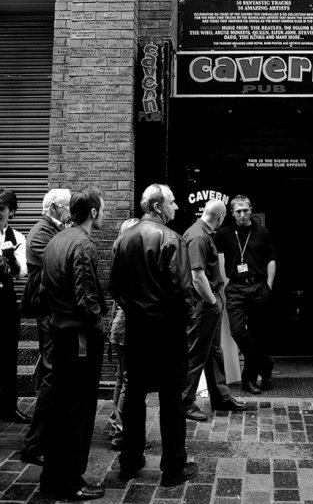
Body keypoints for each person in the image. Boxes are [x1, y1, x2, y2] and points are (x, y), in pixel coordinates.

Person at [109, 184, 197, 488]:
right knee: (172, 396)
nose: (176, 208)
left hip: (135, 326)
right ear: (158, 206)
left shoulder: (123, 238)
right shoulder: (171, 238)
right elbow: (183, 288)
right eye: (172, 202)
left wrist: (133, 308)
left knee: (134, 394)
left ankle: (129, 462)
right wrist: (184, 316)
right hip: (167, 328)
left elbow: (114, 287)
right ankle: (173, 467)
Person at [38, 186, 107, 501]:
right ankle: (71, 482)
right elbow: (86, 299)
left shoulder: (55, 240)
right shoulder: (83, 245)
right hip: (79, 338)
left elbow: (42, 293)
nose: (103, 214)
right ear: (92, 212)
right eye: (102, 209)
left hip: (58, 332)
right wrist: (99, 326)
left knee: (59, 408)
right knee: (78, 412)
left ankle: (52, 478)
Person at [19, 188, 72, 465]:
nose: (70, 212)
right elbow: (61, 264)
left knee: (56, 372)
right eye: (66, 207)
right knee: (51, 374)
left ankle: (48, 435)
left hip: (54, 311)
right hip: (47, 311)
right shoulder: (41, 232)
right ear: (53, 207)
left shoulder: (54, 230)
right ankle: (34, 444)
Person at [182, 200, 246, 422]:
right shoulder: (198, 236)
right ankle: (185, 401)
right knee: (197, 352)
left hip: (210, 301)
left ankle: (220, 396)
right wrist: (212, 302)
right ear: (220, 217)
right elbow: (197, 277)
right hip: (205, 304)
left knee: (213, 351)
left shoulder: (202, 233)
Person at [214, 195, 276, 395]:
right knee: (239, 331)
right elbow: (209, 254)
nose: (242, 214)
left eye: (245, 210)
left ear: (251, 210)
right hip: (236, 288)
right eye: (238, 211)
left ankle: (249, 380)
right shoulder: (223, 233)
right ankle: (265, 364)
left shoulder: (262, 232)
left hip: (258, 286)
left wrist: (268, 286)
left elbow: (271, 260)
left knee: (257, 334)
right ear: (232, 213)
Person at [107, 217, 139, 450]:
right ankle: (121, 432)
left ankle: (115, 425)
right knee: (128, 379)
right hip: (128, 328)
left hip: (118, 328)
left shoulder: (118, 259)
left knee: (121, 377)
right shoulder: (134, 264)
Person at [0, 188, 29, 424]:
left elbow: (22, 273)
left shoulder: (18, 237)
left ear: (12, 212)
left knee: (9, 356)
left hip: (7, 303)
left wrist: (9, 259)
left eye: (2, 209)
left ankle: (9, 406)